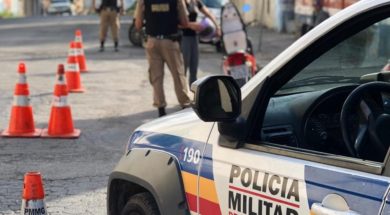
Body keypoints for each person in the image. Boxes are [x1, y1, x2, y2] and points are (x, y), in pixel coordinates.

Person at [135, 0, 192, 117]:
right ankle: (185, 106)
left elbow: (138, 24)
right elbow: (185, 23)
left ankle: (161, 110)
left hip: (152, 42)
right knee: (178, 74)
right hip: (170, 41)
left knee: (156, 77)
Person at [181, 0, 221, 86]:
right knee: (183, 67)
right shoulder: (180, 2)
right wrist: (192, 25)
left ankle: (193, 93)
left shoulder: (196, 2)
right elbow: (176, 23)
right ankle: (183, 92)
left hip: (194, 38)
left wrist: (217, 26)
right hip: (183, 38)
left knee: (194, 68)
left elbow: (208, 13)